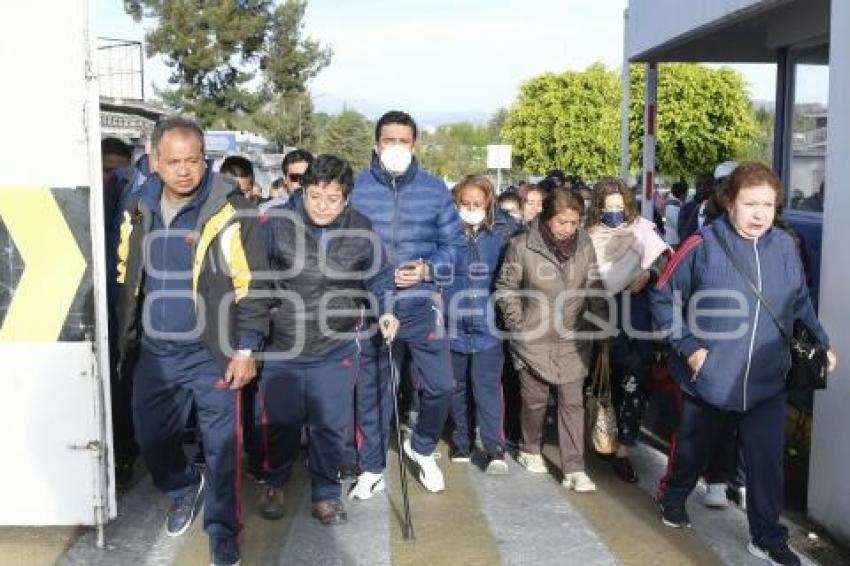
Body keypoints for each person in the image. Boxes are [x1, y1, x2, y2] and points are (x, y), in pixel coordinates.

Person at [651, 162, 837, 566]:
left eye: (768, 205)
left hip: (769, 380)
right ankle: (674, 495)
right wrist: (689, 346)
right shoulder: (701, 244)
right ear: (729, 201)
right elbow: (663, 296)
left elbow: (799, 301)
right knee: (693, 451)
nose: (759, 214)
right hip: (712, 378)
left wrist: (821, 342)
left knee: (766, 463)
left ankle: (767, 538)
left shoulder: (785, 246)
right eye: (750, 203)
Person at [114, 117, 269, 566]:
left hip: (212, 355)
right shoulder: (138, 204)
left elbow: (254, 286)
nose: (184, 171)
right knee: (151, 438)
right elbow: (125, 272)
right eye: (173, 161)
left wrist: (247, 348)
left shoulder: (232, 210)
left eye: (193, 161)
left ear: (206, 160)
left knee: (222, 451)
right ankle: (182, 486)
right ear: (155, 160)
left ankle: (223, 535)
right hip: (155, 355)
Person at [259, 154, 399, 525]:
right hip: (284, 343)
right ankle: (275, 480)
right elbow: (254, 279)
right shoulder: (276, 224)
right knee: (282, 420)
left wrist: (386, 310)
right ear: (302, 191)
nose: (322, 206)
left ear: (347, 198)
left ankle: (325, 492)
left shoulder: (362, 230)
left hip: (335, 345)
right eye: (314, 197)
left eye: (332, 198)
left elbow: (381, 277)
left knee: (329, 424)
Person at [348, 110, 464, 498]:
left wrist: (428, 270)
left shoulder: (434, 190)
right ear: (376, 144)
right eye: (389, 141)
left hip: (420, 303)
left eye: (403, 141)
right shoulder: (357, 188)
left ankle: (423, 446)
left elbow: (455, 247)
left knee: (442, 386)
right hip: (371, 305)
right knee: (374, 389)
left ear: (414, 145)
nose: (396, 147)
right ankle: (372, 467)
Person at [496, 187, 607, 492]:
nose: (568, 229)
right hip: (533, 338)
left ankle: (574, 468)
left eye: (573, 223)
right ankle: (530, 448)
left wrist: (602, 328)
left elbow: (594, 285)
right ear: (546, 219)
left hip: (574, 338)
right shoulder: (521, 246)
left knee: (572, 402)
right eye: (562, 222)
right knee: (535, 402)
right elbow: (506, 288)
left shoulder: (585, 245)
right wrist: (518, 326)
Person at [587, 178, 669, 483]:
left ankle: (623, 450)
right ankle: (600, 436)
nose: (614, 213)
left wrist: (649, 273)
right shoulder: (589, 237)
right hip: (600, 320)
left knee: (634, 386)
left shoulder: (643, 231)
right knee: (603, 385)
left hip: (637, 322)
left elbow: (666, 266)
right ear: (598, 208)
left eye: (619, 207)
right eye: (608, 208)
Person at [445, 175, 519, 473]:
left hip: (489, 323)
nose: (471, 208)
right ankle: (462, 441)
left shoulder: (505, 232)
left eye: (478, 203)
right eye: (465, 203)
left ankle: (493, 448)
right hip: (453, 322)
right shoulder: (445, 231)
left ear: (489, 202)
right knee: (458, 386)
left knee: (487, 385)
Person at [664, 180, 688, 247]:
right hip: (674, 242)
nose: (687, 195)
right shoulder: (673, 206)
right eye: (686, 193)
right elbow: (678, 224)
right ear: (682, 194)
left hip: (674, 241)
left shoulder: (675, 205)